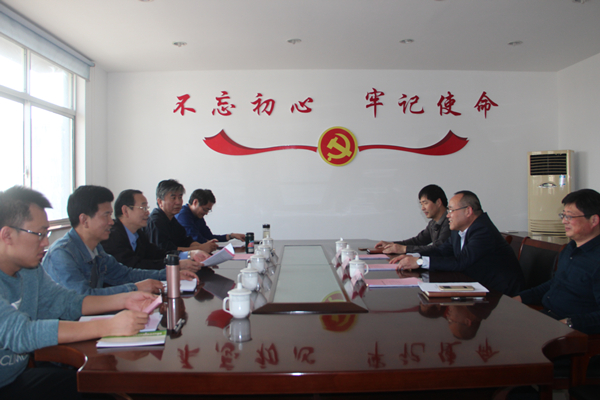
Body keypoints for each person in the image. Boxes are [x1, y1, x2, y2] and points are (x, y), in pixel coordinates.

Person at [0, 186, 156, 399]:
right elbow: (21, 333)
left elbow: (66, 301)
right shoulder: (54, 256)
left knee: (98, 390)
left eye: (46, 234)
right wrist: (109, 325)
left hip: (16, 380)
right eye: (39, 234)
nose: (46, 243)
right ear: (7, 235)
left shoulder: (30, 270)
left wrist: (125, 299)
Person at [43, 185, 196, 295]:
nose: (111, 222)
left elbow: (125, 274)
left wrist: (170, 274)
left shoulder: (96, 249)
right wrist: (136, 288)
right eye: (106, 215)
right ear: (84, 220)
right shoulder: (62, 254)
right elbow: (83, 299)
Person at [393, 190, 524, 296]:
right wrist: (414, 256)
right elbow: (441, 251)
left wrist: (420, 262)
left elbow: (461, 262)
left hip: (501, 295)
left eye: (451, 210)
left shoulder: (483, 230)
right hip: (476, 287)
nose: (448, 215)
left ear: (468, 211)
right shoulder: (458, 230)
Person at [515, 189, 600, 334]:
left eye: (570, 216)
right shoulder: (570, 249)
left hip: (574, 331)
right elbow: (555, 283)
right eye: (563, 215)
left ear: (594, 220)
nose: (564, 221)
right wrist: (519, 298)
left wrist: (569, 323)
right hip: (548, 317)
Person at [101, 189, 210, 272]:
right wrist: (175, 265)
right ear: (125, 211)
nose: (147, 213)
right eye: (143, 208)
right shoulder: (112, 236)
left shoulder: (138, 234)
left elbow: (158, 254)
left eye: (147, 208)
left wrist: (190, 254)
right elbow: (134, 266)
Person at [144, 179, 217, 253]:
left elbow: (185, 241)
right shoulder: (156, 221)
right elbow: (166, 251)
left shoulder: (172, 220)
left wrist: (203, 247)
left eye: (180, 197)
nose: (178, 202)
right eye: (173, 198)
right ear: (160, 202)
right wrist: (200, 248)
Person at [375, 184, 450, 254]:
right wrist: (392, 244)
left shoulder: (450, 222)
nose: (422, 208)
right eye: (421, 204)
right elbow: (418, 241)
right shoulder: (433, 223)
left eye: (425, 203)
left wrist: (404, 249)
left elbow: (438, 248)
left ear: (438, 202)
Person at [175, 188, 245, 246]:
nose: (206, 213)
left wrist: (231, 236)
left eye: (208, 210)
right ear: (195, 202)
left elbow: (209, 237)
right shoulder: (183, 215)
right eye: (205, 209)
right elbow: (196, 239)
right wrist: (210, 243)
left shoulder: (198, 216)